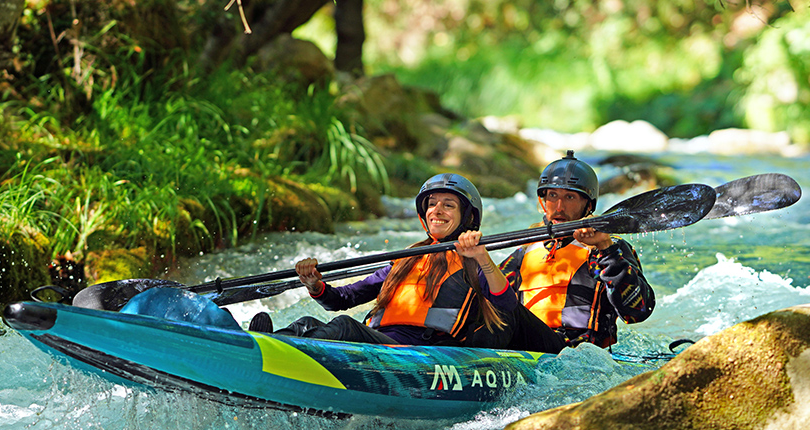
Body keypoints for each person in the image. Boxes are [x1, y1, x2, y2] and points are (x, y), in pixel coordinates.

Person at [252, 174, 516, 348]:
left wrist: (482, 257)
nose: (437, 210)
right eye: (432, 204)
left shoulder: (472, 261)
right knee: (307, 323)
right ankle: (266, 345)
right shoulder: (404, 260)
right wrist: (314, 285)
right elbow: (341, 300)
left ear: (467, 217)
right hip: (378, 344)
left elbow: (506, 303)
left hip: (416, 353)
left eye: (449, 205)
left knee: (345, 327)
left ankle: (281, 352)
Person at [499, 150, 655, 353]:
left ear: (588, 205)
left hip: (577, 355)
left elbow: (638, 311)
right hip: (528, 351)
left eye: (570, 197)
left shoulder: (605, 249)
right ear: (542, 202)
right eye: (552, 196)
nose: (559, 207)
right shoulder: (525, 252)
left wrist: (606, 249)